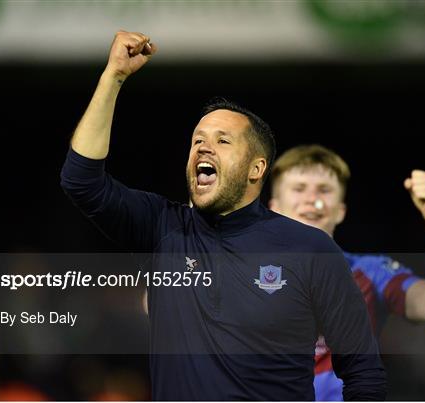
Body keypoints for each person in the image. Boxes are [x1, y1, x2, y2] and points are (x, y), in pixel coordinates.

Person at [60, 31, 387, 400]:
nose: (203, 146)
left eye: (222, 140)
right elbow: (81, 180)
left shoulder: (310, 250)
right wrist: (113, 77)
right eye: (197, 139)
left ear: (256, 168)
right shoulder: (162, 229)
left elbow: (363, 373)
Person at [269, 144, 425, 401]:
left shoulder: (370, 273)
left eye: (324, 190)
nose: (312, 199)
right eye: (299, 188)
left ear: (341, 211)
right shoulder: (242, 272)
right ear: (273, 207)